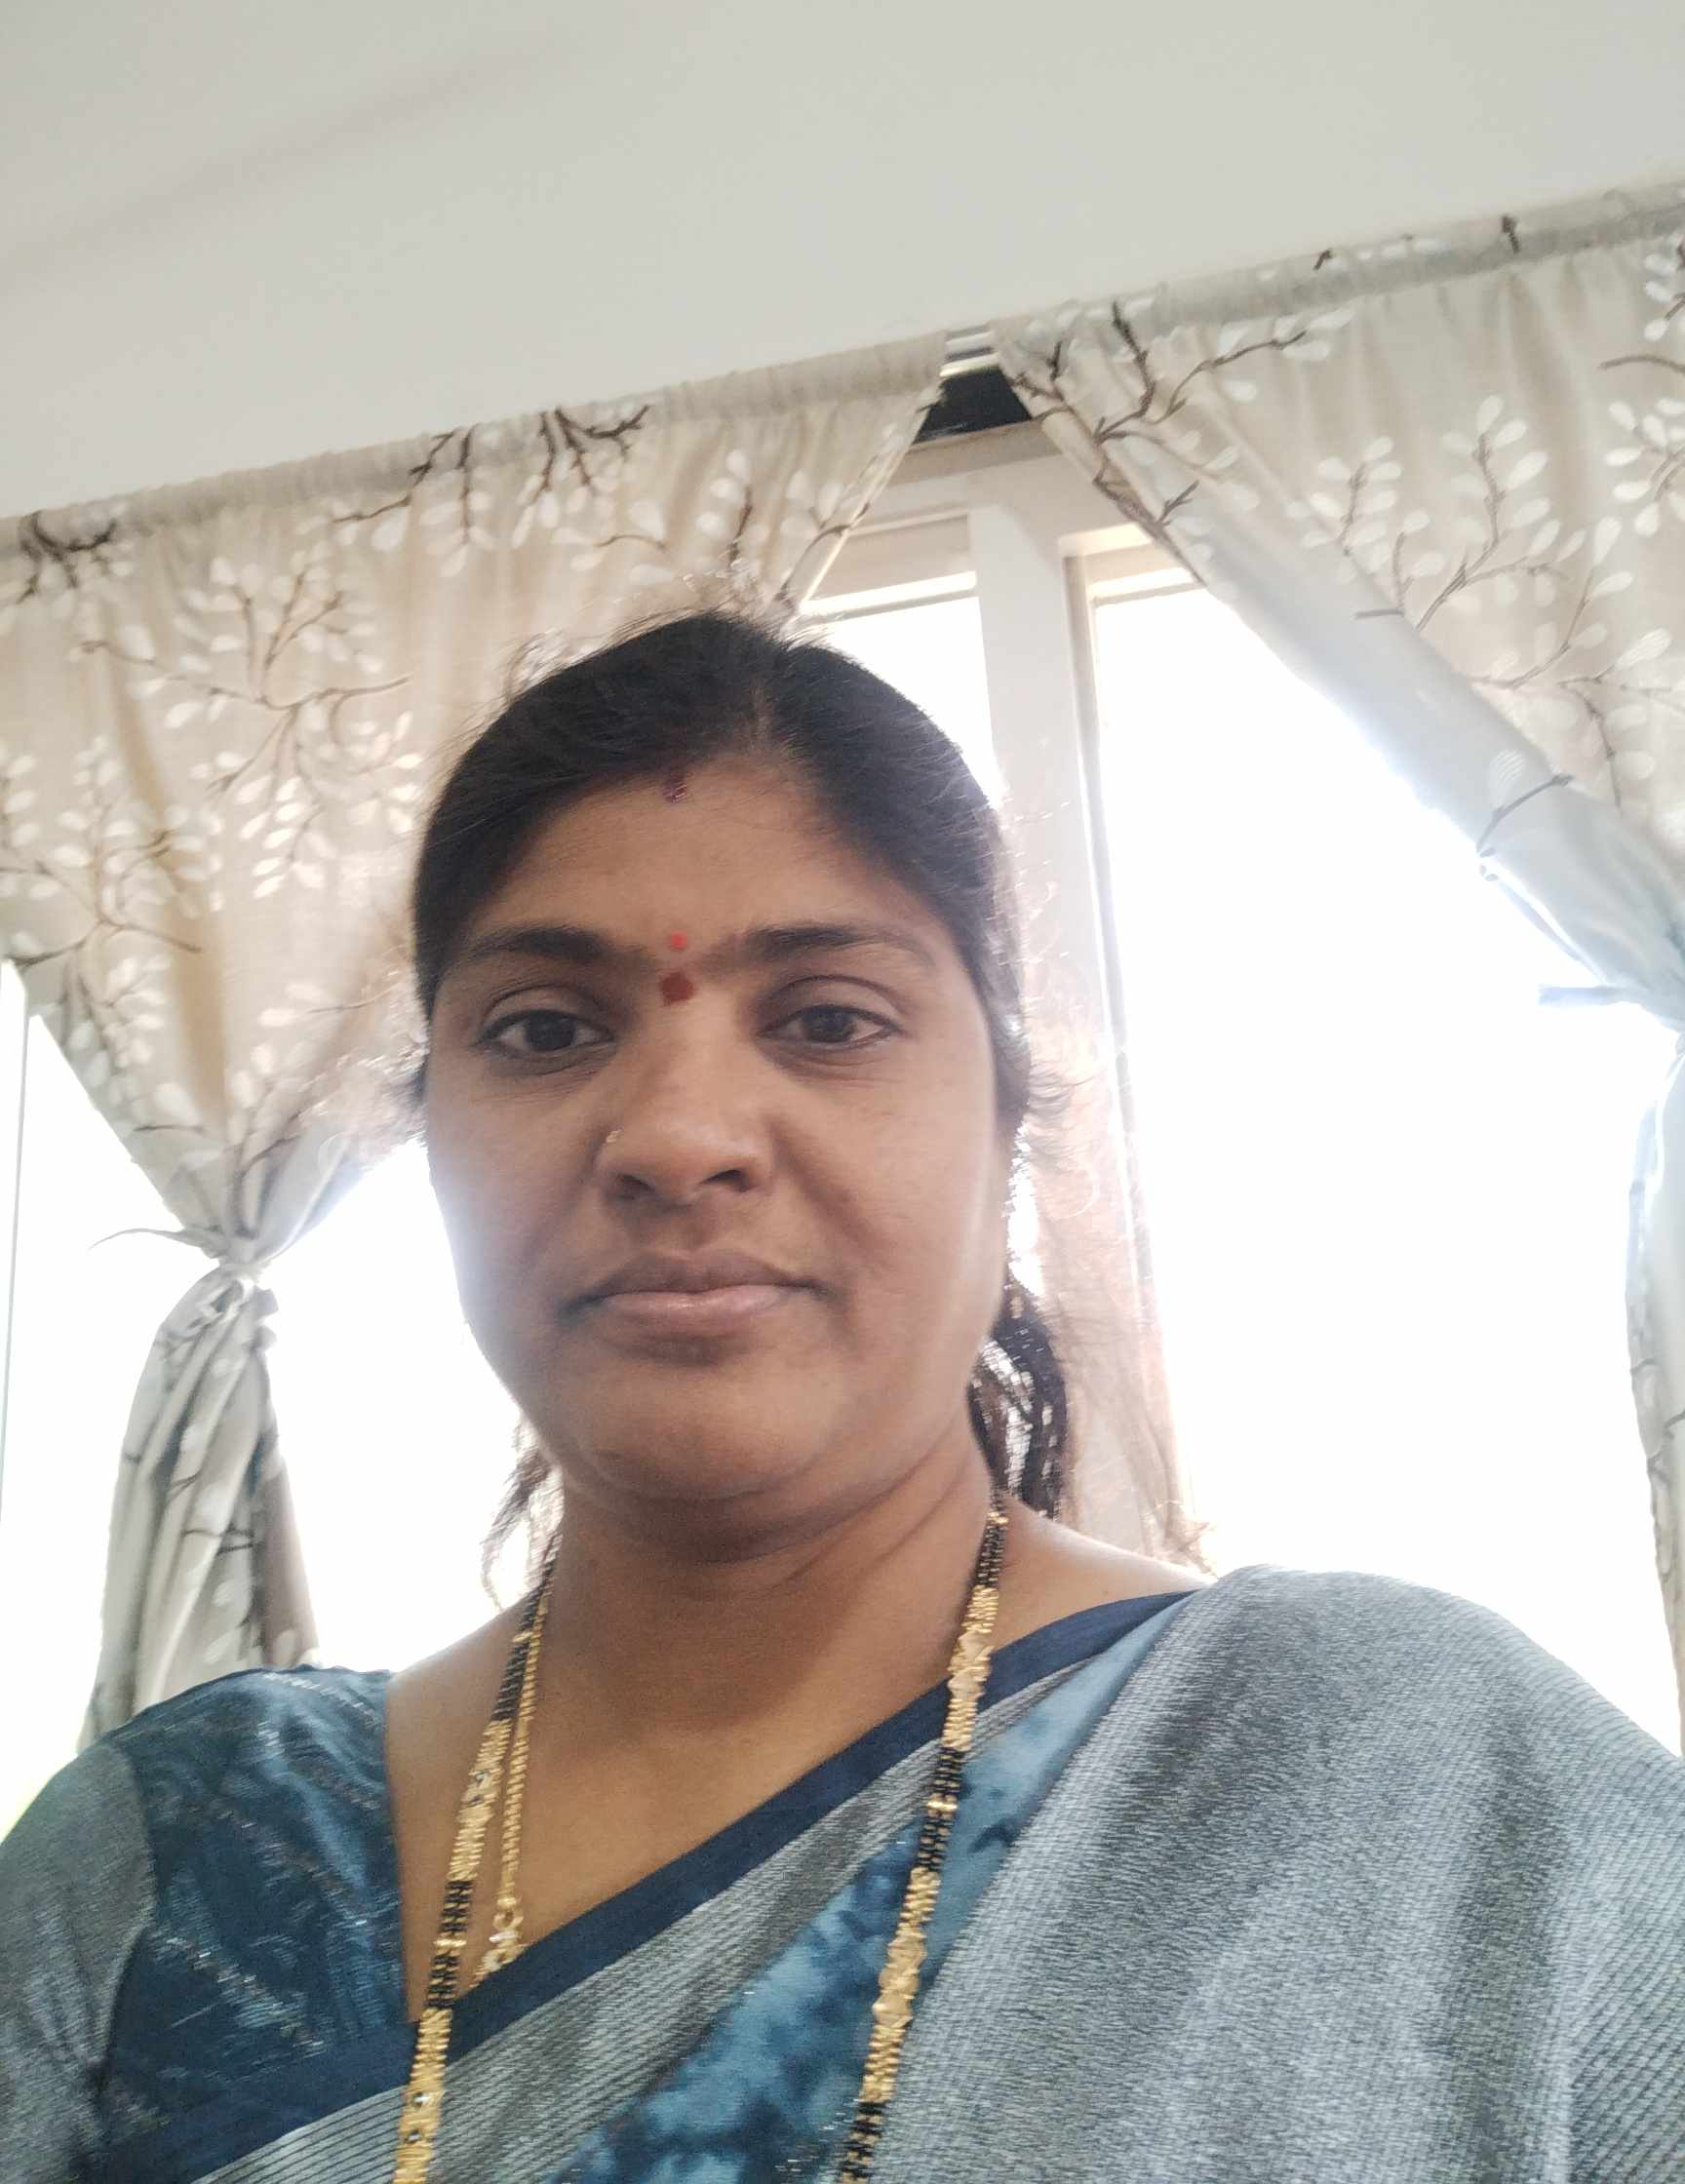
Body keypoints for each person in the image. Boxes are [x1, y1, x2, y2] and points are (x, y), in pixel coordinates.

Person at [1, 605, 1681, 2183]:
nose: (678, 1137)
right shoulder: (170, 1863)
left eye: (825, 1017)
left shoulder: (1407, 1777)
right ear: (425, 1125)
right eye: (544, 1030)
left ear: (1008, 1117)